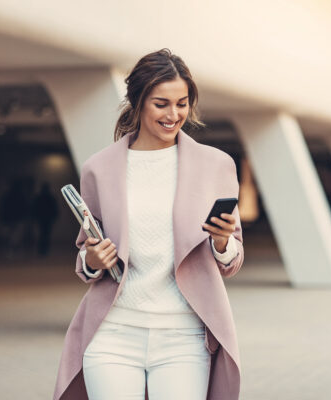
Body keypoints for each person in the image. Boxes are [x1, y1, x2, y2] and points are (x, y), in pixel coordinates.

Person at [53, 49, 244, 400]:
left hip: (183, 336)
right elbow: (85, 253)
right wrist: (92, 261)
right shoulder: (99, 168)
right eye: (161, 104)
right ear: (138, 102)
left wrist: (221, 242)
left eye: (182, 103)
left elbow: (231, 258)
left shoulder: (216, 165)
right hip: (112, 333)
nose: (174, 115)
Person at [32, 181, 59, 256]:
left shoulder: (39, 197)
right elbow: (55, 209)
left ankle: (42, 250)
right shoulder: (50, 197)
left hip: (42, 219)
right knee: (46, 234)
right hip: (47, 219)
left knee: (42, 234)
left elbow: (35, 208)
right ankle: (44, 250)